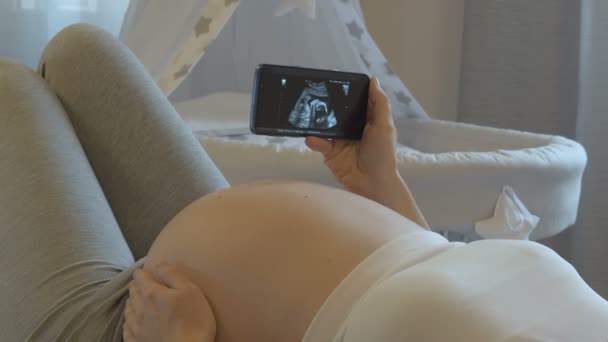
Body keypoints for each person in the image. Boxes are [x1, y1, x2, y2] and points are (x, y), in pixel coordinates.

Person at [0, 24, 606, 342]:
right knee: (84, 52)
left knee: (9, 91)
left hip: (147, 321)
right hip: (215, 249)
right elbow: (443, 284)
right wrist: (381, 187)